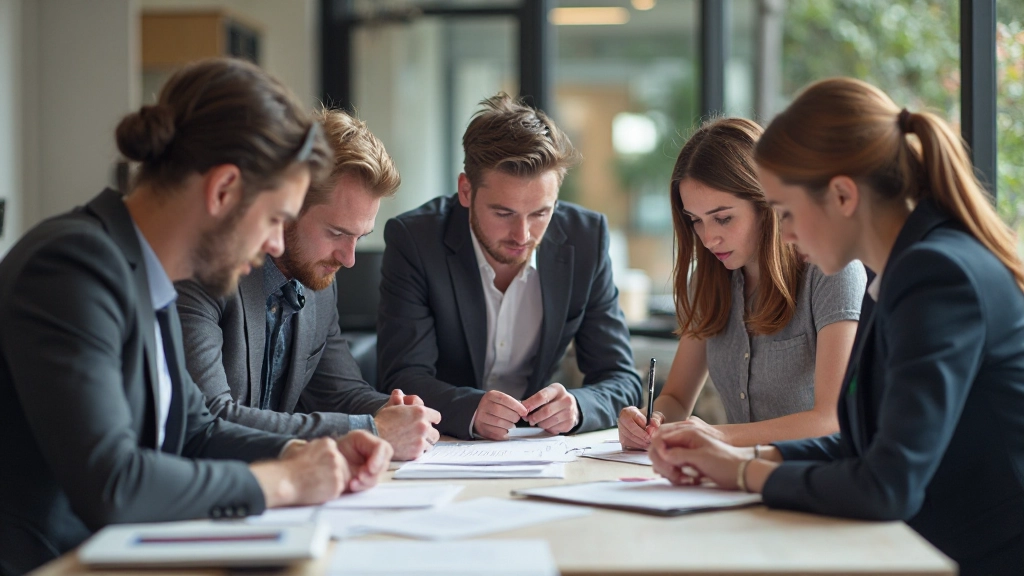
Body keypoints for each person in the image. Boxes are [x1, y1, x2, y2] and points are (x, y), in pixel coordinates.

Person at [0, 58, 392, 576]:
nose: (277, 243)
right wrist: (288, 480)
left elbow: (197, 430)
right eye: (275, 218)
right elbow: (114, 482)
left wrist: (318, 450)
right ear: (224, 190)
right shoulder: (72, 265)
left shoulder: (145, 270)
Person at [650, 77, 1024, 575]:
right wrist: (749, 456)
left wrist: (743, 472)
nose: (782, 233)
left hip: (976, 555)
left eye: (785, 212)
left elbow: (886, 485)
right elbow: (866, 444)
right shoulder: (906, 266)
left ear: (843, 196)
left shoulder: (935, 275)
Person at [176, 108, 441, 461]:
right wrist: (371, 430)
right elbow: (211, 418)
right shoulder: (205, 271)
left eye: (360, 237)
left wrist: (394, 412)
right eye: (336, 233)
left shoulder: (318, 279)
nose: (349, 259)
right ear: (288, 207)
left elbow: (340, 392)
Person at [377, 93, 642, 440]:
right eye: (503, 213)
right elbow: (402, 376)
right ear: (466, 190)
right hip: (444, 442)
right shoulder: (415, 240)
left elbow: (621, 378)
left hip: (542, 448)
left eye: (541, 213)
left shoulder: (586, 239)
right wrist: (470, 409)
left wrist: (578, 407)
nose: (523, 234)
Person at [618, 118, 864, 450]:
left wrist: (718, 435)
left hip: (815, 482)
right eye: (695, 221)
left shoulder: (831, 272)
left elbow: (831, 419)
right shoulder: (705, 281)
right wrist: (649, 422)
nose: (708, 238)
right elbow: (676, 398)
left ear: (767, 205)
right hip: (733, 480)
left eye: (723, 218)